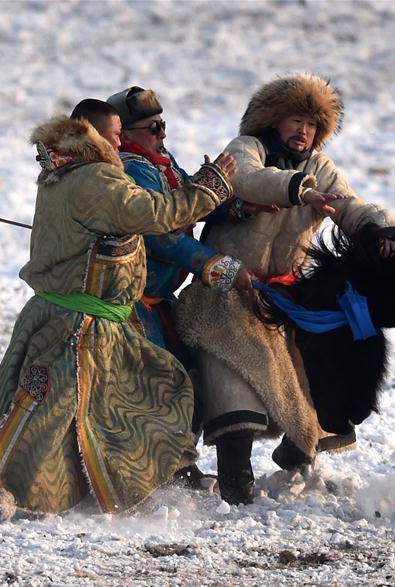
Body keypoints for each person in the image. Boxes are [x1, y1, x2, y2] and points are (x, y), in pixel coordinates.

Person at [0, 99, 235, 519]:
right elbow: (157, 213)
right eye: (115, 133)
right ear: (93, 135)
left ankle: (127, 482)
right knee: (151, 393)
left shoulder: (66, 173)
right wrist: (212, 183)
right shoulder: (97, 179)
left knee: (82, 408)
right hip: (81, 328)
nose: (120, 141)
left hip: (68, 317)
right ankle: (7, 490)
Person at [174, 73, 395, 504]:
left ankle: (298, 461)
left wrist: (381, 228)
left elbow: (349, 206)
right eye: (295, 120)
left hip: (285, 300)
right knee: (236, 381)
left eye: (312, 125)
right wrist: (296, 190)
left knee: (312, 376)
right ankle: (235, 481)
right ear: (273, 121)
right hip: (224, 294)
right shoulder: (246, 149)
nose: (303, 131)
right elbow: (244, 177)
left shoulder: (320, 168)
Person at [106, 87, 265, 484]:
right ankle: (159, 469)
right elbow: (162, 235)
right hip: (132, 305)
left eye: (163, 125)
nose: (162, 133)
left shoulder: (159, 161)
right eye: (152, 127)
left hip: (159, 300)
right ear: (124, 134)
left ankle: (177, 462)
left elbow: (190, 197)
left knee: (188, 377)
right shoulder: (131, 170)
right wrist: (220, 267)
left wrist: (238, 205)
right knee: (162, 383)